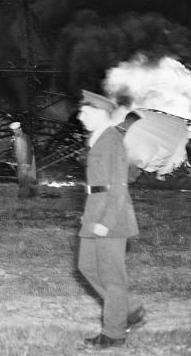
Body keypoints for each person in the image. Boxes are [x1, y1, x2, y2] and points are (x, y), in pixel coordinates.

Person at [76, 90, 145, 349]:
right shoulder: (98, 138)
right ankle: (130, 309)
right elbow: (97, 186)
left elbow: (118, 186)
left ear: (100, 113)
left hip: (112, 218)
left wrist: (105, 220)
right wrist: (90, 212)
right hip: (95, 212)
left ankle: (114, 333)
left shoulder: (112, 139)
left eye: (85, 112)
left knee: (112, 277)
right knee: (87, 267)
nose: (80, 117)